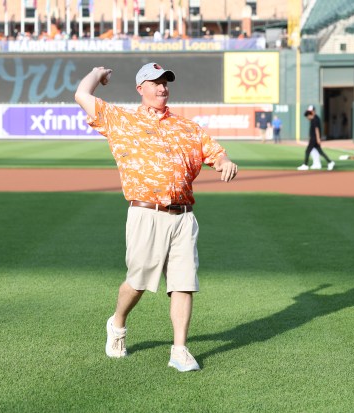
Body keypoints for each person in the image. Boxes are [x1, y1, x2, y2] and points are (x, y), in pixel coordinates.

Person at [74, 62, 238, 372]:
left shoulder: (188, 128)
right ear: (141, 89)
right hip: (146, 213)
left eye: (165, 82)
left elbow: (215, 152)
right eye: (154, 82)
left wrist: (225, 160)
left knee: (183, 283)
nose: (162, 87)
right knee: (137, 281)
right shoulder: (121, 121)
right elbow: (82, 94)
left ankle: (179, 350)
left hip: (183, 216)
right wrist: (99, 74)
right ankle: (118, 322)